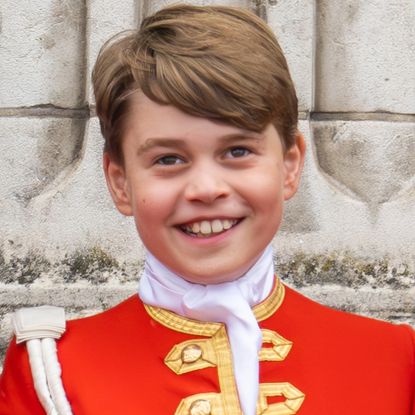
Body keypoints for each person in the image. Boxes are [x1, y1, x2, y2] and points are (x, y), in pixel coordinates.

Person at [0, 4, 414, 415]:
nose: (206, 189)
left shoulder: (395, 362)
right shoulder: (53, 372)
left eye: (237, 151)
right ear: (120, 182)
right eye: (168, 159)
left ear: (289, 167)